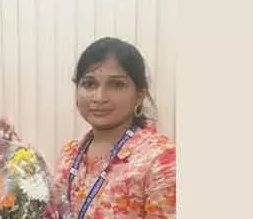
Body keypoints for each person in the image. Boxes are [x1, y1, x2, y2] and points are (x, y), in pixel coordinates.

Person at [58, 37, 176, 219]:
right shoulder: (70, 154)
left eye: (116, 85)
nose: (99, 97)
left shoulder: (161, 159)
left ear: (139, 95)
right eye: (89, 84)